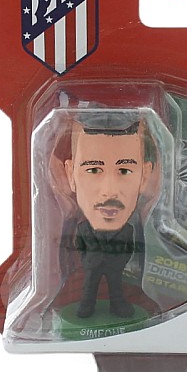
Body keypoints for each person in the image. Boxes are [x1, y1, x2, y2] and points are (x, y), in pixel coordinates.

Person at [64, 114, 154, 318]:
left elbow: (129, 248)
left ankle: (118, 306)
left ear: (145, 176)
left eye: (124, 171)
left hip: (116, 267)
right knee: (89, 289)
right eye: (94, 170)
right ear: (71, 175)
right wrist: (89, 261)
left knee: (117, 289)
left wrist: (120, 262)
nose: (109, 191)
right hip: (92, 266)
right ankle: (86, 308)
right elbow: (80, 245)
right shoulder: (83, 228)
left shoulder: (128, 230)